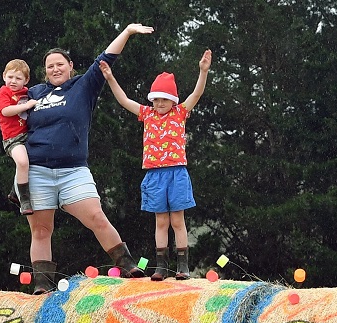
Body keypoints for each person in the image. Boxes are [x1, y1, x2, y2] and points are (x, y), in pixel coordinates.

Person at [21, 23, 155, 293]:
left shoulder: (83, 86)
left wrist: (127, 32)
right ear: (44, 71)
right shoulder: (33, 93)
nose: (55, 69)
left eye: (60, 64)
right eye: (49, 66)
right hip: (37, 172)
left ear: (70, 66)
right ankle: (42, 285)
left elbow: (106, 57)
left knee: (96, 216)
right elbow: (5, 107)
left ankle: (128, 265)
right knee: (41, 230)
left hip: (73, 171)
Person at [99, 49, 211, 280]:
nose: (160, 103)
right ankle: (161, 266)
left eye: (165, 99)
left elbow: (197, 94)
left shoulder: (180, 113)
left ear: (173, 100)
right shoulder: (147, 114)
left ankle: (183, 267)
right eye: (156, 99)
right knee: (160, 221)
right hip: (154, 175)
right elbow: (124, 100)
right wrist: (110, 78)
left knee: (177, 220)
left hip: (176, 173)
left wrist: (203, 71)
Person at [0, 59, 37, 215]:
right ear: (4, 76)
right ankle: (24, 199)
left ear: (26, 80)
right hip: (13, 138)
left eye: (18, 78)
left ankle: (15, 191)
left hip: (28, 135)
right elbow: (6, 111)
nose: (13, 81)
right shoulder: (4, 92)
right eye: (10, 77)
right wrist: (26, 106)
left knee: (38, 157)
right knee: (22, 161)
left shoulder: (27, 92)